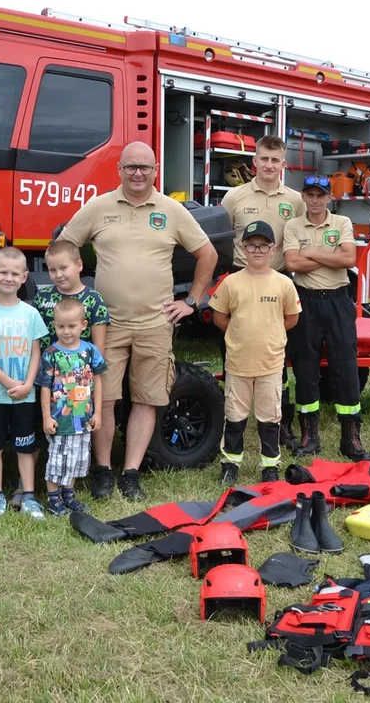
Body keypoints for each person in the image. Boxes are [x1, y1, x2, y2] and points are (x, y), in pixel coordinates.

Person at [58, 141, 218, 500]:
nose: (138, 173)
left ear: (156, 170)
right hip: (106, 324)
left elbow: (206, 253)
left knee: (147, 399)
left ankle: (130, 473)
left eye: (145, 167)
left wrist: (192, 300)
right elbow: (66, 246)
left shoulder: (171, 211)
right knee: (105, 399)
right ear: (119, 169)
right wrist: (75, 294)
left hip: (155, 324)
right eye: (131, 166)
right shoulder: (99, 207)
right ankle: (102, 471)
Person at [219, 135, 305, 452]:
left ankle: (281, 427)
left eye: (275, 159)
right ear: (254, 161)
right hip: (240, 280)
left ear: (284, 164)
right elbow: (223, 241)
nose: (269, 165)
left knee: (277, 360)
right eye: (264, 158)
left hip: (278, 280)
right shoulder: (234, 197)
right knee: (235, 355)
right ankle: (232, 426)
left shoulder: (296, 201)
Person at [282, 176, 370, 462]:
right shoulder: (293, 225)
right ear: (303, 197)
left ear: (329, 198)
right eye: (310, 195)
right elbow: (292, 264)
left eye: (321, 195)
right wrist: (327, 256)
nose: (315, 201)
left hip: (337, 300)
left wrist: (310, 252)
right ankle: (310, 436)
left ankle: (351, 439)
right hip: (306, 301)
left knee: (345, 367)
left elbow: (348, 259)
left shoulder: (342, 223)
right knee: (305, 368)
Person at [209, 220, 301, 486]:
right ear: (243, 249)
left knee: (270, 418)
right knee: (235, 417)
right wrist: (239, 334)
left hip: (270, 364)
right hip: (238, 363)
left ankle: (270, 465)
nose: (257, 251)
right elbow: (219, 317)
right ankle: (230, 463)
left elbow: (291, 319)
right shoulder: (231, 283)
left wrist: (269, 333)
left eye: (263, 246)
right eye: (252, 245)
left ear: (273, 250)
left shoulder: (283, 283)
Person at [0, 246, 49, 518]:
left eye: (15, 273)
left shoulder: (30, 314)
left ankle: (28, 495)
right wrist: (9, 383)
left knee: (25, 445)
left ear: (25, 276)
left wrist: (28, 384)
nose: (8, 278)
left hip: (24, 394)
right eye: (3, 272)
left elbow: (35, 352)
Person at [35, 297, 108, 515]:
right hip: (60, 418)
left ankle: (69, 495)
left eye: (71, 326)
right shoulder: (50, 354)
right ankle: (53, 499)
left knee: (77, 458)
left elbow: (98, 381)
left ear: (83, 325)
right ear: (54, 325)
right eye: (60, 326)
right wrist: (47, 417)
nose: (66, 331)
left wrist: (98, 413)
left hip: (83, 417)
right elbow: (45, 387)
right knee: (58, 460)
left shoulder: (90, 351)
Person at [32, 238, 110, 354]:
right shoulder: (42, 297)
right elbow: (34, 339)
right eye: (52, 270)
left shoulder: (94, 299)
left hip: (81, 369)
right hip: (47, 368)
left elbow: (99, 345)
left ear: (79, 265)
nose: (58, 275)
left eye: (63, 268)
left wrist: (96, 371)